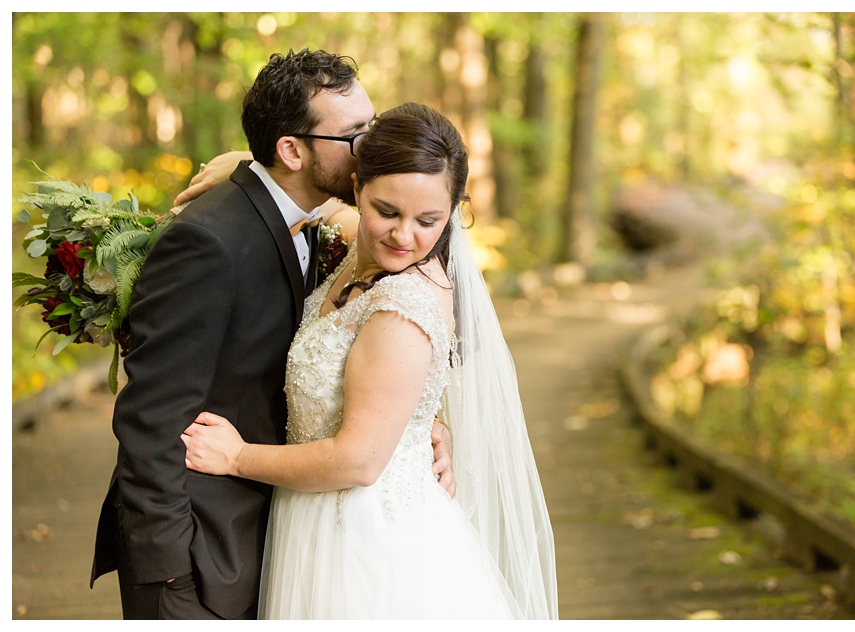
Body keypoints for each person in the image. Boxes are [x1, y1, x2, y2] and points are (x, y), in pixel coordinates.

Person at [90, 49, 454, 620]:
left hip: (287, 543)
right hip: (201, 557)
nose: (372, 147)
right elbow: (150, 418)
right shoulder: (207, 241)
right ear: (291, 150)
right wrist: (165, 576)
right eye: (356, 134)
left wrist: (414, 418)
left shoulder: (337, 228)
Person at [179, 102, 557, 619]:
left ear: (453, 212)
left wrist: (236, 457)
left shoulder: (403, 305)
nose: (404, 237)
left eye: (430, 220)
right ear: (356, 189)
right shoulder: (361, 247)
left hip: (367, 538)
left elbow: (357, 461)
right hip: (317, 519)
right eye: (386, 212)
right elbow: (321, 202)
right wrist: (248, 167)